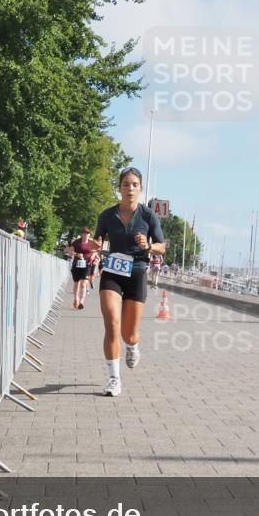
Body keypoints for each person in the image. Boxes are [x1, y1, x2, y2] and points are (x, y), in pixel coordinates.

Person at [91, 167, 166, 397]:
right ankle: (114, 379)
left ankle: (132, 346)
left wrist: (148, 246)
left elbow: (162, 247)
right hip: (113, 271)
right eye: (126, 184)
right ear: (119, 188)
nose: (130, 188)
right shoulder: (106, 215)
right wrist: (96, 245)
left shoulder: (148, 216)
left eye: (134, 184)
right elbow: (98, 239)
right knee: (111, 323)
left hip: (137, 271)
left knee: (129, 334)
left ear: (140, 189)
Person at [65, 226, 94, 309]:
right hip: (77, 265)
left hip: (87, 265)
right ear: (82, 234)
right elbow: (69, 251)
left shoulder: (91, 243)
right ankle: (76, 298)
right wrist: (76, 254)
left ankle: (81, 302)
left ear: (89, 235)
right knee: (76, 283)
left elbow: (95, 252)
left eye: (87, 233)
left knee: (84, 284)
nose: (86, 235)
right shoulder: (76, 243)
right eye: (84, 233)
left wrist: (93, 256)